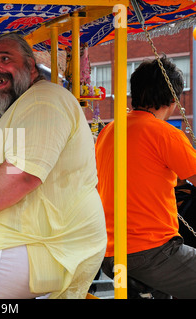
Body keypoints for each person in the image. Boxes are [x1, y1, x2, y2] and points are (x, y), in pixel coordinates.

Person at [0, 33, 107, 299]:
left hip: (49, 242)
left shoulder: (43, 101)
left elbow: (22, 174)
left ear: (31, 66)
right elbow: (2, 172)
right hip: (14, 232)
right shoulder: (12, 109)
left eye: (5, 58)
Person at [95, 55, 196, 298]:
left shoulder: (109, 130)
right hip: (150, 252)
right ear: (174, 100)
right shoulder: (163, 133)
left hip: (107, 253)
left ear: (135, 93)